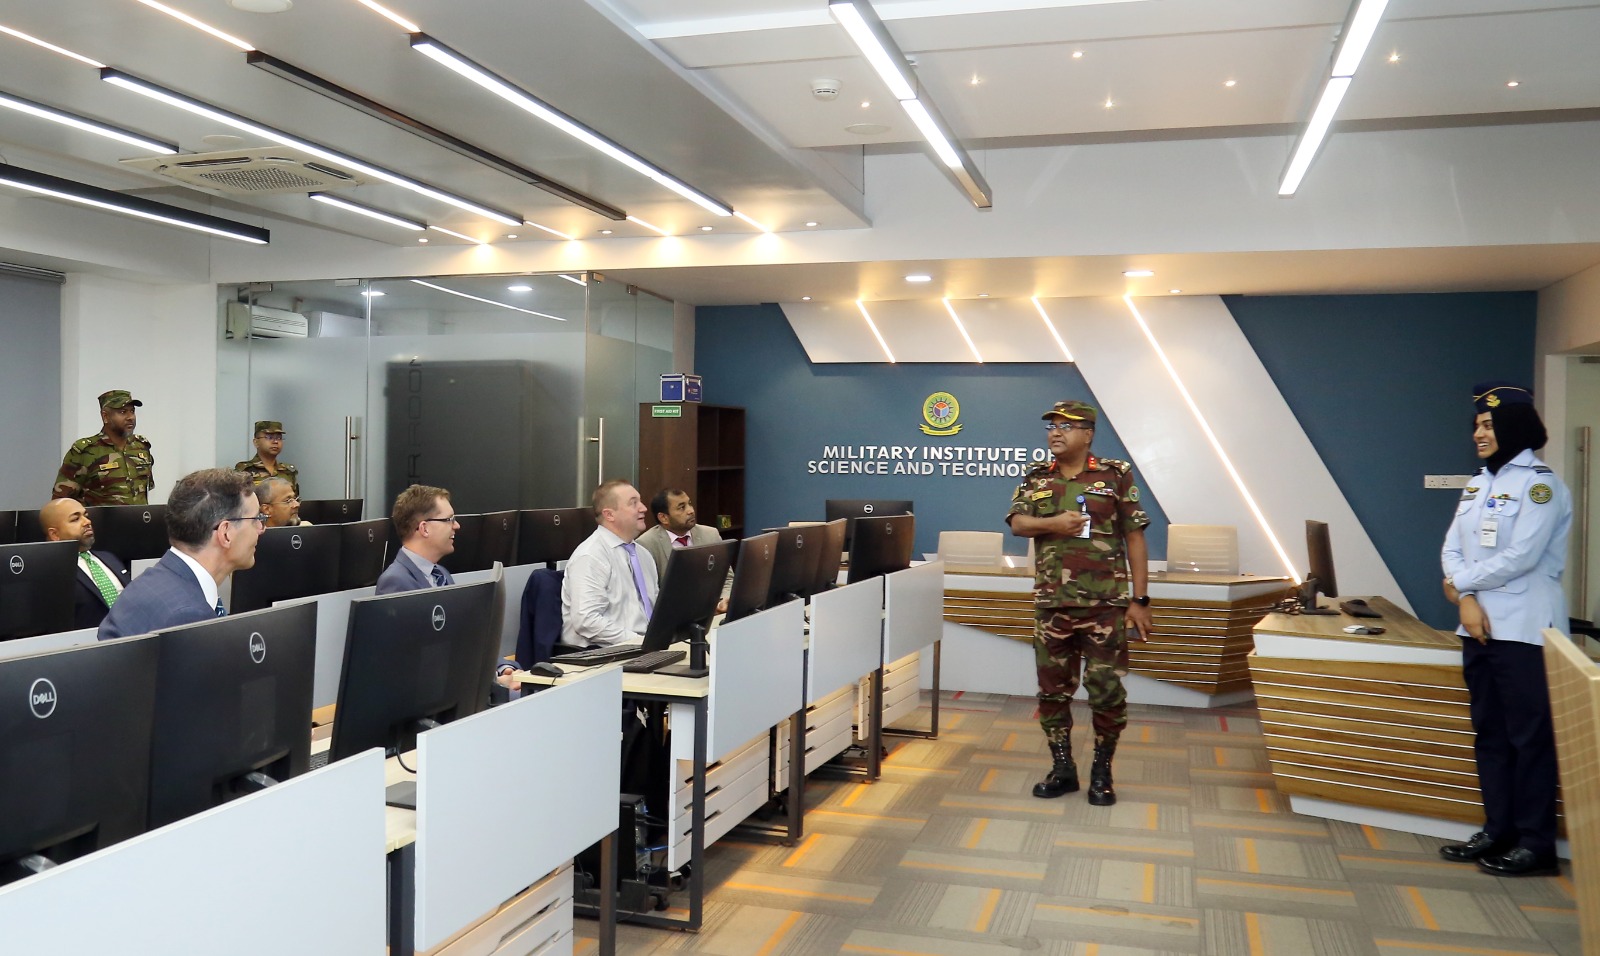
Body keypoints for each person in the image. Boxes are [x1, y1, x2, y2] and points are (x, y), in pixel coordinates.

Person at [1438, 381, 1571, 877]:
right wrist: (1467, 599)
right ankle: (1499, 830)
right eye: (1476, 424)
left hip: (1524, 629)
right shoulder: (1479, 484)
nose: (1478, 433)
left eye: (1489, 425)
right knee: (1490, 734)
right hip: (1477, 628)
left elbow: (1523, 556)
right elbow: (1453, 547)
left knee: (1529, 738)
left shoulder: (1541, 486)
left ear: (1515, 426)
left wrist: (1459, 586)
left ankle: (1536, 845)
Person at [1006, 400, 1152, 806]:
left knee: (1106, 693)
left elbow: (1135, 537)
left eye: (1067, 426)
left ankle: (1102, 771)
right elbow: (1017, 523)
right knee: (1052, 693)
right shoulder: (1036, 476)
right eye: (1052, 425)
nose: (1056, 432)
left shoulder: (1114, 474)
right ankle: (1063, 768)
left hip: (1105, 606)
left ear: (1087, 434)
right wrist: (1054, 523)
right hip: (1052, 605)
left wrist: (1140, 600)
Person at [97, 469, 265, 640]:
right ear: (226, 533)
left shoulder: (152, 581)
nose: (261, 528)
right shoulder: (188, 617)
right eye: (256, 519)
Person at [561, 480, 657, 648]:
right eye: (633, 503)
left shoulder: (643, 554)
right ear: (609, 515)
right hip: (604, 652)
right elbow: (587, 621)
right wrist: (639, 642)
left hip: (645, 647)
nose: (643, 508)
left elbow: (655, 605)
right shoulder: (590, 556)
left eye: (640, 501)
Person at [39, 497, 131, 630]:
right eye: (75, 519)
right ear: (55, 534)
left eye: (86, 516)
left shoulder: (109, 558)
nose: (87, 522)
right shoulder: (50, 572)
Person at [52, 389, 155, 506]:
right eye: (123, 412)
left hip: (139, 518)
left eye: (132, 411)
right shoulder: (85, 451)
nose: (130, 417)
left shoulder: (141, 447)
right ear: (105, 416)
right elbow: (60, 503)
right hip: (97, 518)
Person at [636, 488, 730, 612]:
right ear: (663, 518)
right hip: (673, 615)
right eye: (681, 508)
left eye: (689, 504)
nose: (691, 511)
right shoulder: (646, 544)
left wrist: (723, 600)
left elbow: (727, 578)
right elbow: (650, 594)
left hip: (714, 611)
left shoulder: (710, 535)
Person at [375, 484, 458, 595]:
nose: (456, 526)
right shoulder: (394, 582)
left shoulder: (442, 573)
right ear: (424, 529)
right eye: (449, 519)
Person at [234, 421, 299, 497]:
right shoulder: (244, 471)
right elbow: (237, 501)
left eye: (279, 438)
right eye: (269, 437)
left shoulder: (287, 471)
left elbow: (295, 500)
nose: (275, 441)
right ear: (256, 442)